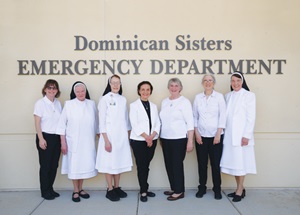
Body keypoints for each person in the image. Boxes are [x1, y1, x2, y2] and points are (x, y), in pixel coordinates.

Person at [56, 81, 98, 203]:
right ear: (74, 93)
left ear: (86, 92)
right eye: (78, 91)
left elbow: (96, 122)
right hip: (73, 141)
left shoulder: (91, 104)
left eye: (82, 91)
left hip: (87, 142)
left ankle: (80, 189)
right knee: (75, 165)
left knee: (83, 165)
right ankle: (75, 190)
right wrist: (63, 142)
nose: (80, 93)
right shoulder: (68, 104)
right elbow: (61, 125)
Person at [220, 71, 256, 202]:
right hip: (229, 137)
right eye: (233, 81)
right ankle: (239, 188)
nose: (235, 83)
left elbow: (251, 117)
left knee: (241, 164)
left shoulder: (249, 95)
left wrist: (246, 135)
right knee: (235, 164)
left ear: (242, 82)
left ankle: (240, 190)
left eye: (238, 81)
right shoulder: (227, 96)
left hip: (242, 137)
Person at [95, 75, 132, 202]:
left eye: (118, 83)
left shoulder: (123, 99)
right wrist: (106, 140)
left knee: (119, 162)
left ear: (120, 84)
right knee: (109, 163)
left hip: (121, 137)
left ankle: (117, 187)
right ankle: (110, 189)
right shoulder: (104, 99)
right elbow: (102, 122)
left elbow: (126, 119)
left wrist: (127, 136)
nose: (116, 85)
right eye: (113, 83)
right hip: (109, 137)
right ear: (109, 84)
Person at [159, 78, 194, 201]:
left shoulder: (184, 102)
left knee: (176, 165)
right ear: (168, 88)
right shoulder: (164, 102)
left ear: (180, 87)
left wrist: (190, 141)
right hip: (165, 138)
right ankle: (174, 187)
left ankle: (179, 191)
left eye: (176, 86)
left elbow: (190, 122)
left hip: (179, 139)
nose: (173, 88)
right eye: (171, 86)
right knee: (169, 164)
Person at [193, 74, 226, 200]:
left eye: (210, 80)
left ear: (214, 83)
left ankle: (217, 189)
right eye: (205, 80)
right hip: (201, 136)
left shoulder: (219, 97)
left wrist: (218, 133)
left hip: (215, 136)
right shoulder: (197, 98)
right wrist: (197, 133)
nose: (208, 82)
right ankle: (202, 187)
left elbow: (222, 115)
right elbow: (194, 116)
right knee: (202, 164)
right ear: (202, 83)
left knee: (215, 164)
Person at [129, 81, 161, 202]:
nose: (145, 92)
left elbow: (157, 123)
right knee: (142, 166)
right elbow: (134, 124)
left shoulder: (153, 106)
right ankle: (143, 191)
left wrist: (152, 136)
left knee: (146, 166)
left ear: (150, 91)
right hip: (139, 140)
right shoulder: (134, 105)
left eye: (148, 89)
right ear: (139, 91)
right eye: (143, 89)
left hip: (152, 140)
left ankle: (145, 188)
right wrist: (146, 137)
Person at [34, 79, 62, 200]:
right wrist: (41, 138)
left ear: (57, 90)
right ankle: (45, 191)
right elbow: (37, 122)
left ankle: (50, 188)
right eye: (49, 88)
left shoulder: (58, 103)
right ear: (45, 89)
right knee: (45, 166)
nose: (51, 90)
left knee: (54, 165)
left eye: (54, 88)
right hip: (45, 137)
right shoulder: (40, 103)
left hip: (56, 138)